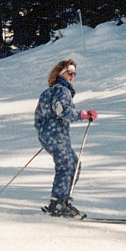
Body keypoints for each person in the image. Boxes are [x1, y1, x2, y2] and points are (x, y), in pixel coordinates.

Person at [35, 59, 97, 218]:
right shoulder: (62, 91)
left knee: (73, 164)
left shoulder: (48, 92)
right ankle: (58, 203)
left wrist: (45, 132)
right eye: (69, 72)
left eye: (74, 73)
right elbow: (63, 111)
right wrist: (84, 115)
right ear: (61, 73)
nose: (72, 76)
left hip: (52, 134)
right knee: (67, 165)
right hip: (56, 134)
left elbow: (39, 116)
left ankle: (62, 201)